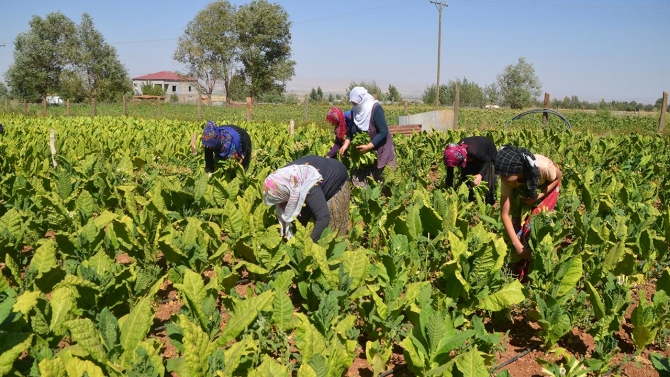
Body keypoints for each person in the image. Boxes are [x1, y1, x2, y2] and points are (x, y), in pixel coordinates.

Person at [495, 145, 562, 279]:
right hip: (525, 188)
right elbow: (505, 214)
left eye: (505, 176)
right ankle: (519, 267)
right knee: (517, 225)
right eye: (500, 175)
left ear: (518, 170)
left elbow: (558, 177)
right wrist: (517, 244)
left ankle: (538, 267)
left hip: (547, 186)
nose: (502, 179)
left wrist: (539, 196)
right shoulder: (507, 180)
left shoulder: (543, 168)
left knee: (533, 227)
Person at [263, 155, 350, 242]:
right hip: (317, 170)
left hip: (336, 177)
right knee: (301, 221)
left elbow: (323, 218)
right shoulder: (281, 180)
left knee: (331, 236)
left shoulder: (307, 183)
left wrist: (307, 246)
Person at [342, 87, 397, 184]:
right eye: (352, 103)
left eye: (356, 103)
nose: (354, 105)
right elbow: (351, 130)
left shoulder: (375, 109)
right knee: (360, 184)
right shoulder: (355, 111)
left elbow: (383, 132)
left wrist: (368, 147)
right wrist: (346, 143)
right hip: (364, 153)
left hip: (380, 149)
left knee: (383, 183)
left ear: (362, 99)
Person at [444, 136, 497, 205]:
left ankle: (487, 201)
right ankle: (469, 199)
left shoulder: (473, 151)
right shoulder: (452, 154)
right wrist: (449, 191)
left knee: (486, 181)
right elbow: (449, 174)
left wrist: (480, 175)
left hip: (487, 152)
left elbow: (487, 160)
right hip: (472, 153)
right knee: (466, 177)